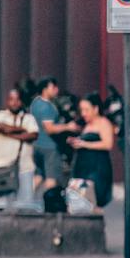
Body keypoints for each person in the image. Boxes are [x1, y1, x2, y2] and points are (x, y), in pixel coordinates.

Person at [29, 77, 78, 209]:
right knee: (51, 179)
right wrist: (68, 127)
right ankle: (47, 205)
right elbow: (49, 128)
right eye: (53, 87)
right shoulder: (48, 107)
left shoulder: (35, 103)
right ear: (45, 89)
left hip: (36, 145)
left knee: (39, 176)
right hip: (49, 147)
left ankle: (26, 200)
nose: (56, 90)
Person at [0, 88, 39, 211]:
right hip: (2, 168)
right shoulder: (0, 116)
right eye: (11, 100)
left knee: (25, 206)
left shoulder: (29, 118)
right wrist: (22, 130)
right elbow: (1, 127)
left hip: (24, 167)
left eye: (17, 100)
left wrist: (12, 134)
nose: (14, 103)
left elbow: (33, 135)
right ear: (7, 101)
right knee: (0, 206)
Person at [67, 94, 117, 209]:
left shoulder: (103, 123)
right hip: (82, 166)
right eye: (82, 110)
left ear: (96, 109)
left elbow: (108, 144)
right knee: (80, 202)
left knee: (93, 200)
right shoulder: (85, 124)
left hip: (97, 167)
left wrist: (85, 144)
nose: (84, 113)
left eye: (87, 110)